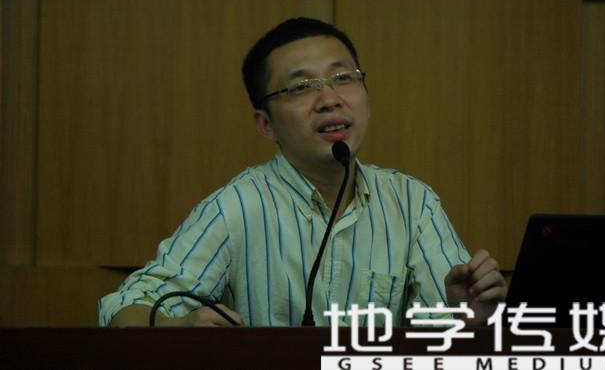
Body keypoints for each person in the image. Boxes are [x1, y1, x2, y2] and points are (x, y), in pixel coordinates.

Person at [99, 17, 506, 328]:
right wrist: (177, 327)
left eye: (343, 78)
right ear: (266, 125)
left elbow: (446, 336)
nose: (329, 99)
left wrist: (471, 320)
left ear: (367, 99)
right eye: (301, 87)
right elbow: (122, 307)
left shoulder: (412, 204)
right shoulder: (237, 208)